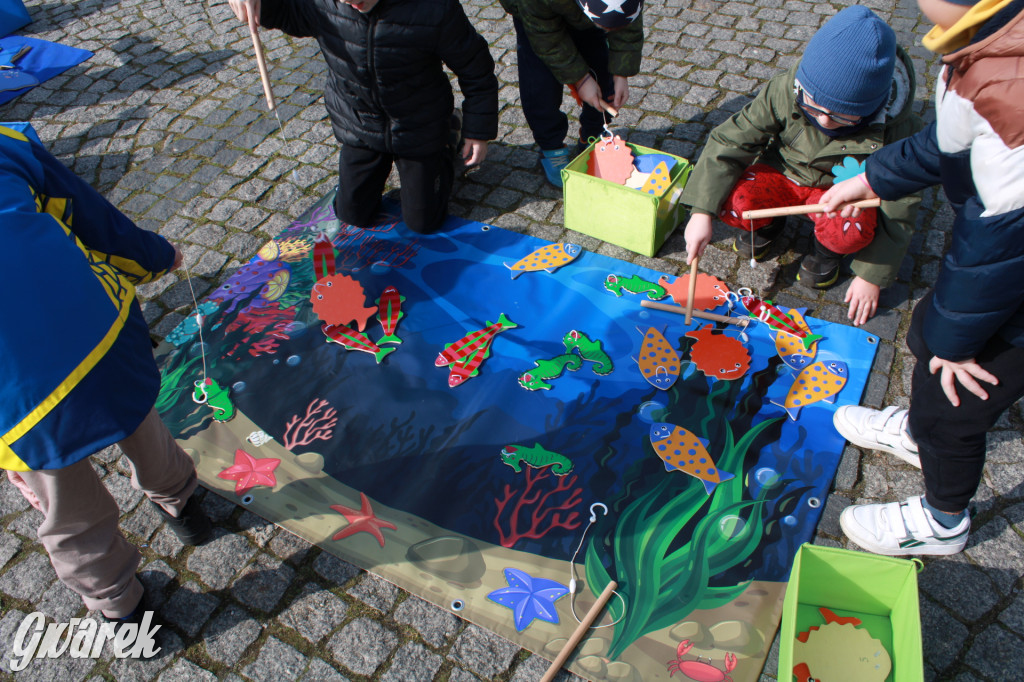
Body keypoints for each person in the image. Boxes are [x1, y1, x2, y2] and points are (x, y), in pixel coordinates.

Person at [820, 0, 1024, 556]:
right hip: (997, 264)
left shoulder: (1013, 86)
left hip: (1008, 271)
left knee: (955, 400)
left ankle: (943, 521)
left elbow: (998, 242)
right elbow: (952, 143)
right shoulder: (989, 40)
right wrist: (875, 176)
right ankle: (916, 433)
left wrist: (959, 344)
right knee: (925, 336)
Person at [0, 124, 212, 628]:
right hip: (100, 333)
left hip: (18, 402)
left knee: (68, 511)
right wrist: (158, 256)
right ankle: (183, 506)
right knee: (145, 430)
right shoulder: (7, 140)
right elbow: (87, 215)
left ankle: (121, 607)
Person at [681, 6, 922, 326]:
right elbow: (731, 142)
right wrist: (701, 211)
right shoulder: (786, 89)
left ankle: (827, 252)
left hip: (839, 192)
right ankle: (768, 226)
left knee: (850, 227)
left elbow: (900, 201)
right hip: (784, 175)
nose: (824, 120)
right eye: (814, 106)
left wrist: (872, 274)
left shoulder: (897, 128)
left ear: (873, 106)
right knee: (737, 202)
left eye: (841, 116)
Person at [226, 0, 499, 235]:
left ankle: (449, 136)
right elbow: (282, 11)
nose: (353, 4)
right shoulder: (323, 4)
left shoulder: (434, 9)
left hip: (419, 126)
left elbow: (476, 68)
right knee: (352, 214)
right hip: (360, 124)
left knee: (423, 222)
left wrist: (478, 129)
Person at [499, 0, 644, 187]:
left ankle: (593, 134)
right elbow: (547, 40)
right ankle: (551, 147)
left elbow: (628, 24)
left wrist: (621, 72)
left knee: (602, 73)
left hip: (583, 13)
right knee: (540, 86)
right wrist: (581, 79)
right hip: (537, 18)